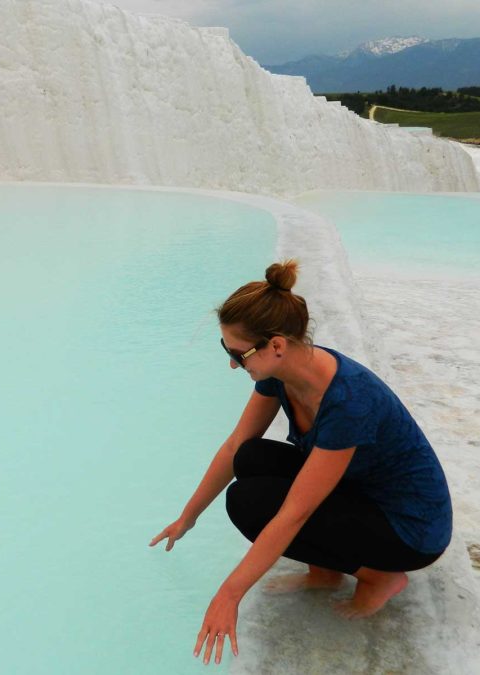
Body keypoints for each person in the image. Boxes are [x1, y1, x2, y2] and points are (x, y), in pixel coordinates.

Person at [149, 259, 452, 665]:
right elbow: (236, 445)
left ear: (276, 345)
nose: (232, 364)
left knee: (249, 502)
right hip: (360, 491)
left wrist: (228, 595)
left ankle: (379, 576)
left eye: (238, 354)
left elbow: (295, 513)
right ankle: (325, 573)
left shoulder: (349, 402)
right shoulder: (281, 371)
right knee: (251, 457)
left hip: (410, 528)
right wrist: (188, 517)